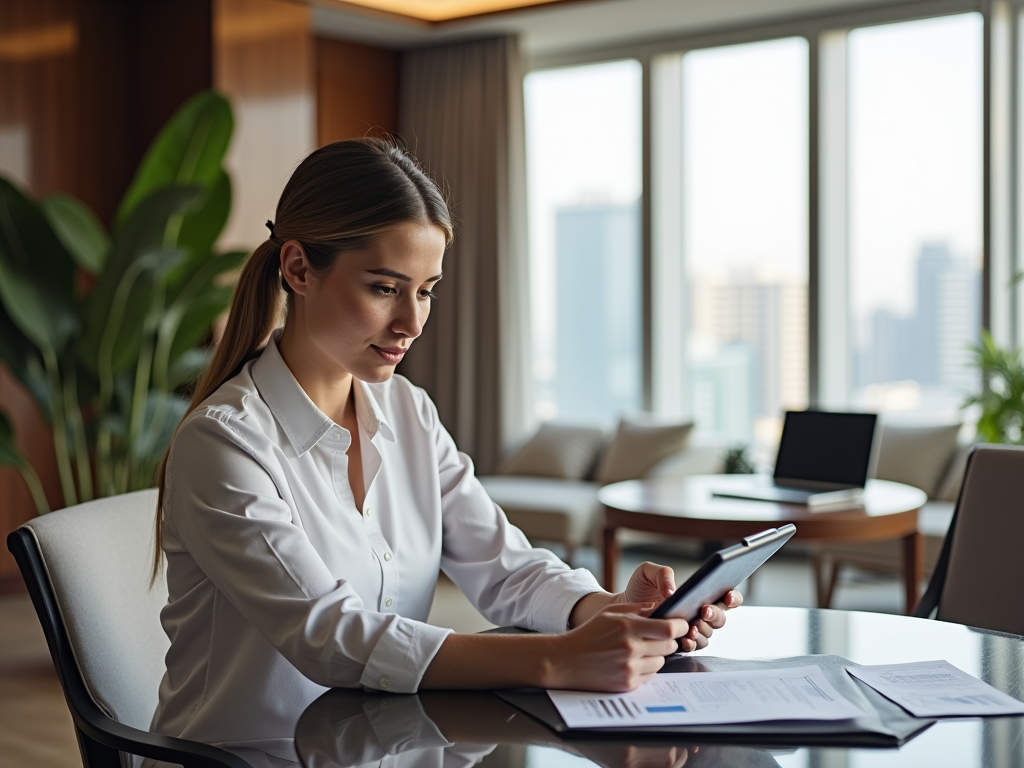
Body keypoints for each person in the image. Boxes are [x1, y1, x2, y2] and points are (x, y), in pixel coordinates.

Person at [149, 138, 742, 751]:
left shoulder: (407, 411)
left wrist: (607, 611)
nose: (411, 322)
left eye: (426, 290)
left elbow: (505, 566)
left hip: (376, 748)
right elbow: (330, 636)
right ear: (298, 269)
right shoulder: (224, 444)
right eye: (384, 288)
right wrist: (557, 659)